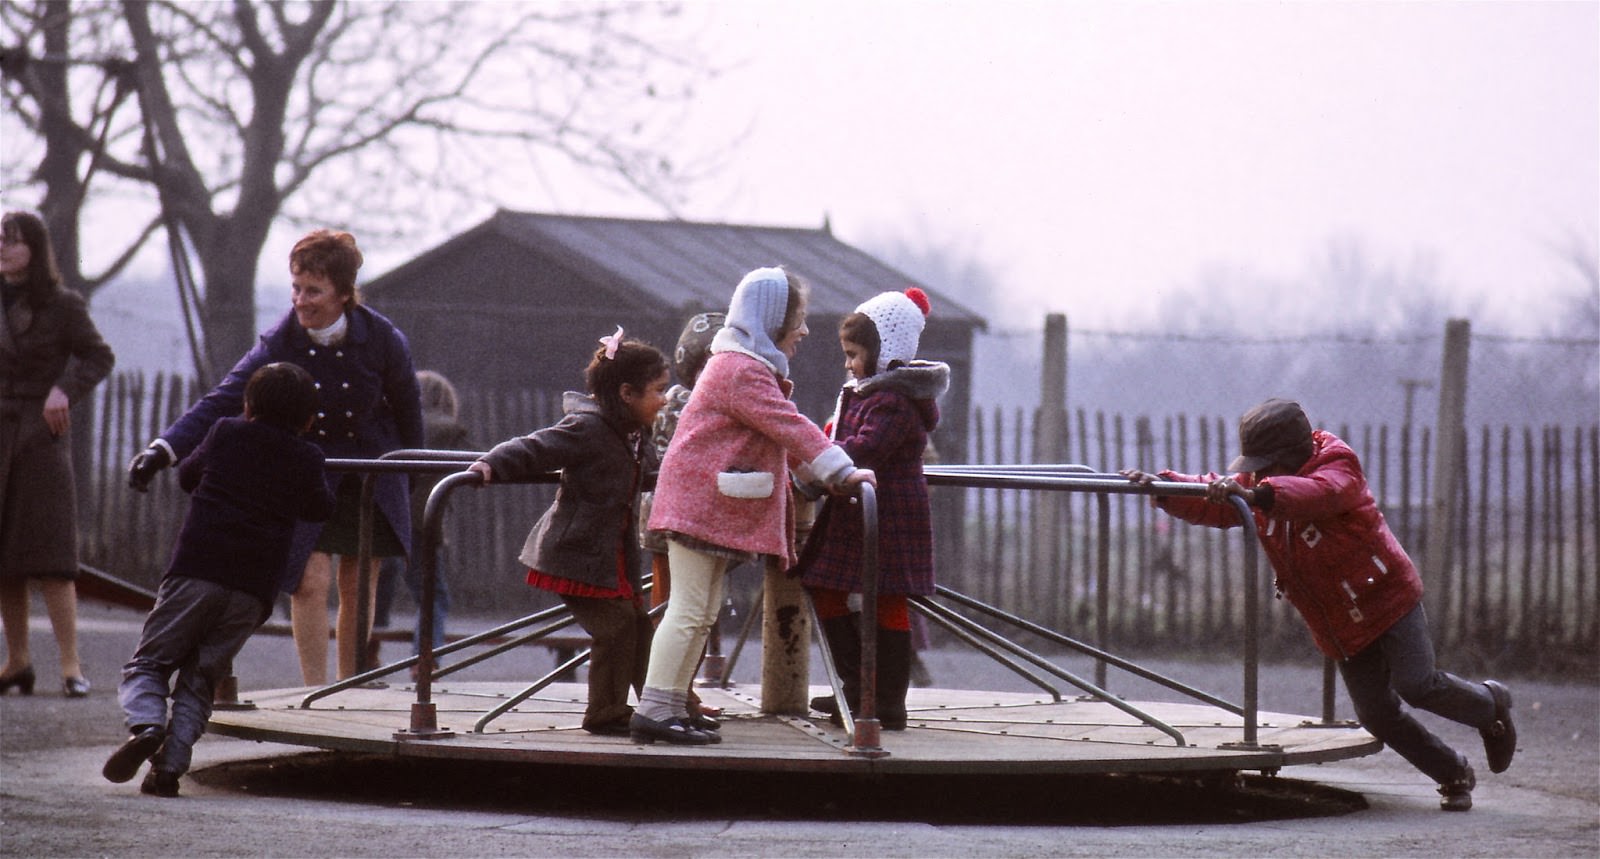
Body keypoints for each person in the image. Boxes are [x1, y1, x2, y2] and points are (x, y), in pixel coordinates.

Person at [1121, 397, 1517, 811]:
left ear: (1296, 454)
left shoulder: (1337, 467)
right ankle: (1453, 772)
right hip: (1339, 621)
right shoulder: (1261, 484)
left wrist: (1259, 493)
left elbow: (1314, 494)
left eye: (1267, 464)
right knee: (1377, 714)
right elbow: (1216, 498)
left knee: (1417, 684)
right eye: (1255, 466)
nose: (1259, 473)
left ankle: (1491, 707)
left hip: (1387, 596)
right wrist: (1164, 487)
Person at [128, 229, 422, 686]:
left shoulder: (383, 339)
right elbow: (224, 398)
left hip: (369, 471)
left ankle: (350, 683)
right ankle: (314, 690)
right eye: (296, 289)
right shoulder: (282, 341)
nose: (302, 301)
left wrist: (413, 475)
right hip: (308, 468)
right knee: (307, 578)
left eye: (314, 291)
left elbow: (408, 410)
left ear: (344, 294)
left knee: (359, 582)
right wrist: (162, 449)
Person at [638, 266, 876, 746]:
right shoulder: (738, 369)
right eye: (799, 319)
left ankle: (669, 705)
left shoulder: (743, 365)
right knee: (688, 609)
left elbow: (775, 435)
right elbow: (786, 424)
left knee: (700, 610)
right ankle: (654, 708)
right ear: (770, 320)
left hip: (700, 502)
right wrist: (839, 469)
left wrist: (815, 473)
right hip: (695, 504)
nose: (804, 330)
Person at [103, 362, 335, 797]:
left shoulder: (226, 432)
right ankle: (168, 770)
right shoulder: (307, 456)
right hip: (253, 590)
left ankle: (148, 724)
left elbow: (189, 476)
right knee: (200, 679)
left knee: (150, 663)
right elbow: (320, 508)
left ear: (247, 406)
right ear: (307, 420)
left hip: (197, 569)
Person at [467, 330, 667, 736]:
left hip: (612, 555)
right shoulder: (588, 428)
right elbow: (535, 447)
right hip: (576, 553)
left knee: (638, 626)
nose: (664, 399)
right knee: (615, 628)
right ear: (627, 393)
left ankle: (659, 706)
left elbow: (649, 470)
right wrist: (490, 464)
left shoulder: (633, 433)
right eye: (658, 391)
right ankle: (605, 713)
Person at [794, 288, 949, 730]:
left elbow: (865, 447)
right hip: (861, 509)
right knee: (826, 588)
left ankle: (885, 699)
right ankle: (858, 686)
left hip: (887, 512)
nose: (848, 363)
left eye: (855, 353)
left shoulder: (893, 401)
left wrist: (819, 453)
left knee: (886, 600)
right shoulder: (868, 393)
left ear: (885, 352)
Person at [0, 211, 117, 699]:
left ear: (36, 249)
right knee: (4, 556)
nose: (3, 249)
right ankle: (18, 661)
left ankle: (71, 665)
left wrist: (63, 390)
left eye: (13, 241)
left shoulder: (63, 304)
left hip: (41, 435)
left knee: (51, 554)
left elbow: (98, 355)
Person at [637, 311, 725, 718]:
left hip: (662, 512)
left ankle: (676, 692)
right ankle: (671, 693)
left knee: (682, 606)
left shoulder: (672, 401)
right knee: (678, 607)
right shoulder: (692, 404)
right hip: (681, 514)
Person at [373, 369, 471, 665]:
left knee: (376, 587)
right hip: (424, 521)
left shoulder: (395, 425)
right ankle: (424, 658)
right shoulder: (450, 430)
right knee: (433, 595)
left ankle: (366, 653)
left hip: (386, 515)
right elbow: (475, 462)